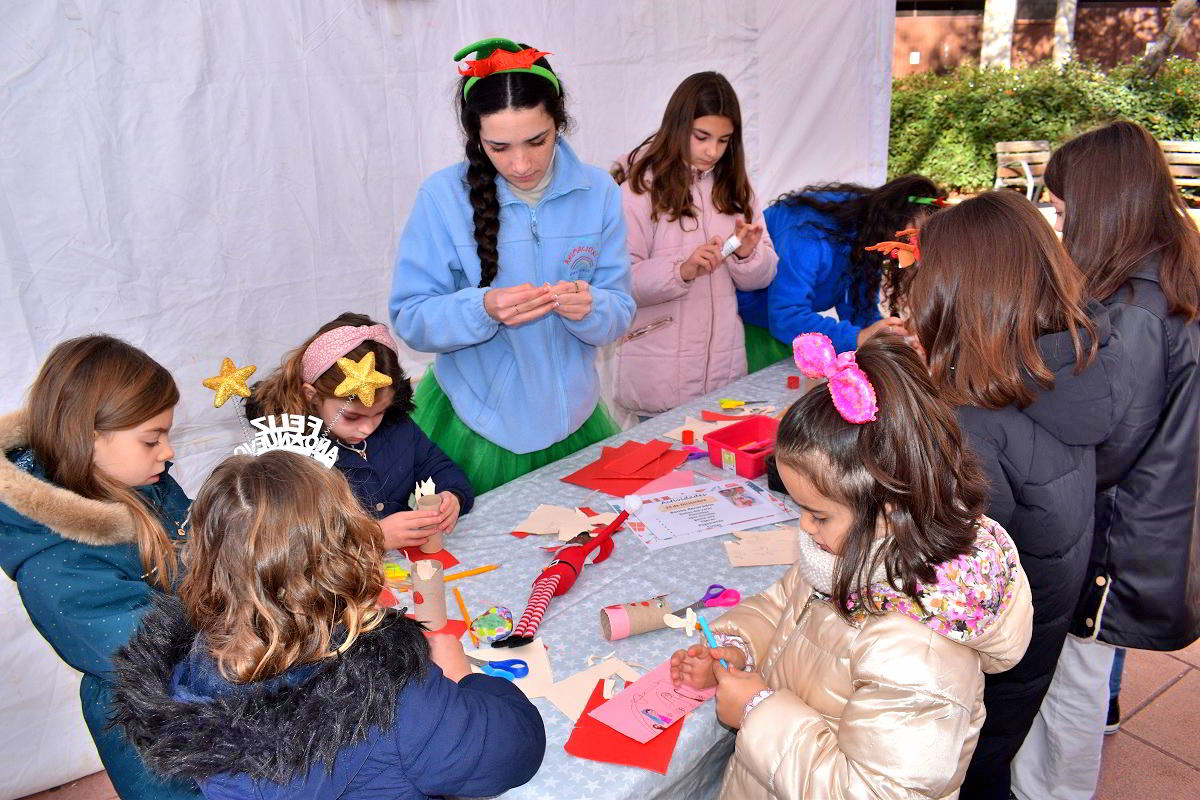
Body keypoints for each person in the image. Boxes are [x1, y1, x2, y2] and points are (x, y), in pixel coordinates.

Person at [671, 334, 1032, 799]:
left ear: (887, 509)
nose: (804, 526)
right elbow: (783, 605)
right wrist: (737, 648)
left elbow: (876, 792)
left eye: (818, 514)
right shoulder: (846, 554)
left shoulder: (919, 653)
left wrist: (757, 710)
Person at [111, 450, 546, 799]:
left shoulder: (188, 673)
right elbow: (514, 752)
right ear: (350, 554)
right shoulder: (394, 697)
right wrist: (461, 677)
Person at [904, 190, 1128, 800]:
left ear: (961, 294)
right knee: (994, 762)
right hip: (1032, 638)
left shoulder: (975, 422)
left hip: (983, 665)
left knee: (970, 774)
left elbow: (931, 571)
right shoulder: (1063, 371)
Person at [1007, 120, 1200, 800]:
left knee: (1066, 699)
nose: (1058, 225)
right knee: (1076, 685)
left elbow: (1107, 440)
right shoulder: (1162, 276)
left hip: (1111, 534)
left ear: (1101, 206)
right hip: (1137, 523)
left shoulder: (1139, 309)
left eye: (1061, 209)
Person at [389, 38, 634, 493]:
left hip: (574, 419)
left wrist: (591, 307)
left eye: (537, 141)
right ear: (475, 138)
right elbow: (411, 318)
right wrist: (484, 307)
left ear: (560, 124)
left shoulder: (598, 192)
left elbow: (618, 311)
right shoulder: (442, 198)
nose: (521, 164)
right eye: (498, 147)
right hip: (478, 423)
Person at [0, 336, 199, 799]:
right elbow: (143, 646)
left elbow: (204, 546)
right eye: (152, 438)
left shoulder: (148, 484)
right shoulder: (55, 558)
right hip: (148, 723)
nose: (167, 452)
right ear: (89, 438)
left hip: (207, 684)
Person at [609, 71, 776, 417]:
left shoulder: (736, 187)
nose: (712, 151)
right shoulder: (640, 188)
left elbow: (762, 277)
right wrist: (681, 270)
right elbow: (619, 280)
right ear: (678, 125)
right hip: (657, 384)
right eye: (702, 136)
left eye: (724, 140)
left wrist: (746, 253)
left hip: (724, 382)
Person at [248, 312, 474, 550]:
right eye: (351, 416)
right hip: (336, 578)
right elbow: (291, 543)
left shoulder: (398, 428)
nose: (367, 428)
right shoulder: (293, 455)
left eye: (379, 412)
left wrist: (452, 496)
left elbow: (440, 469)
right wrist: (373, 536)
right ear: (312, 396)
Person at [736, 175, 944, 372]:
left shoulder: (869, 230)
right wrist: (859, 338)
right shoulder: (809, 232)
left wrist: (892, 337)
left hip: (783, 328)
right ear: (895, 216)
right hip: (751, 327)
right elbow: (785, 317)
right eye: (912, 240)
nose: (911, 252)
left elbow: (859, 310)